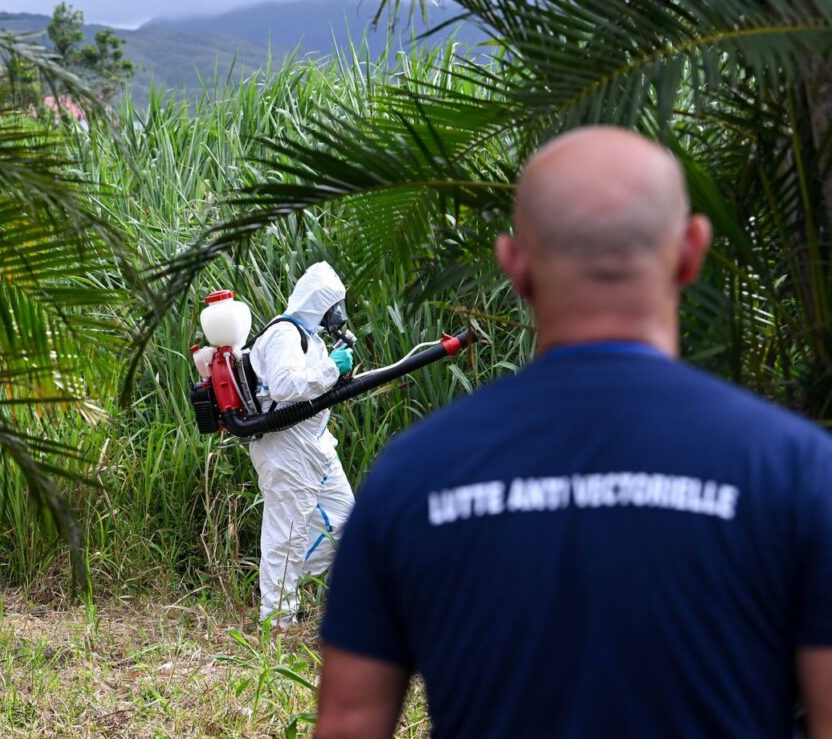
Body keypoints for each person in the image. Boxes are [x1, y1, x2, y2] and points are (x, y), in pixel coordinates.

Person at [315, 126, 832, 738]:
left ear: (515, 264)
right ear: (692, 250)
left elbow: (349, 721)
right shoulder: (798, 470)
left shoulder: (413, 476)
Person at [248, 261, 356, 627]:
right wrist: (332, 368)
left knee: (345, 521)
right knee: (286, 536)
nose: (337, 315)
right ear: (317, 303)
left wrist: (338, 369)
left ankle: (279, 585)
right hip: (286, 450)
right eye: (333, 306)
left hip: (316, 447)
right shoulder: (284, 333)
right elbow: (284, 386)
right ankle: (277, 621)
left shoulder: (312, 338)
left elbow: (316, 384)